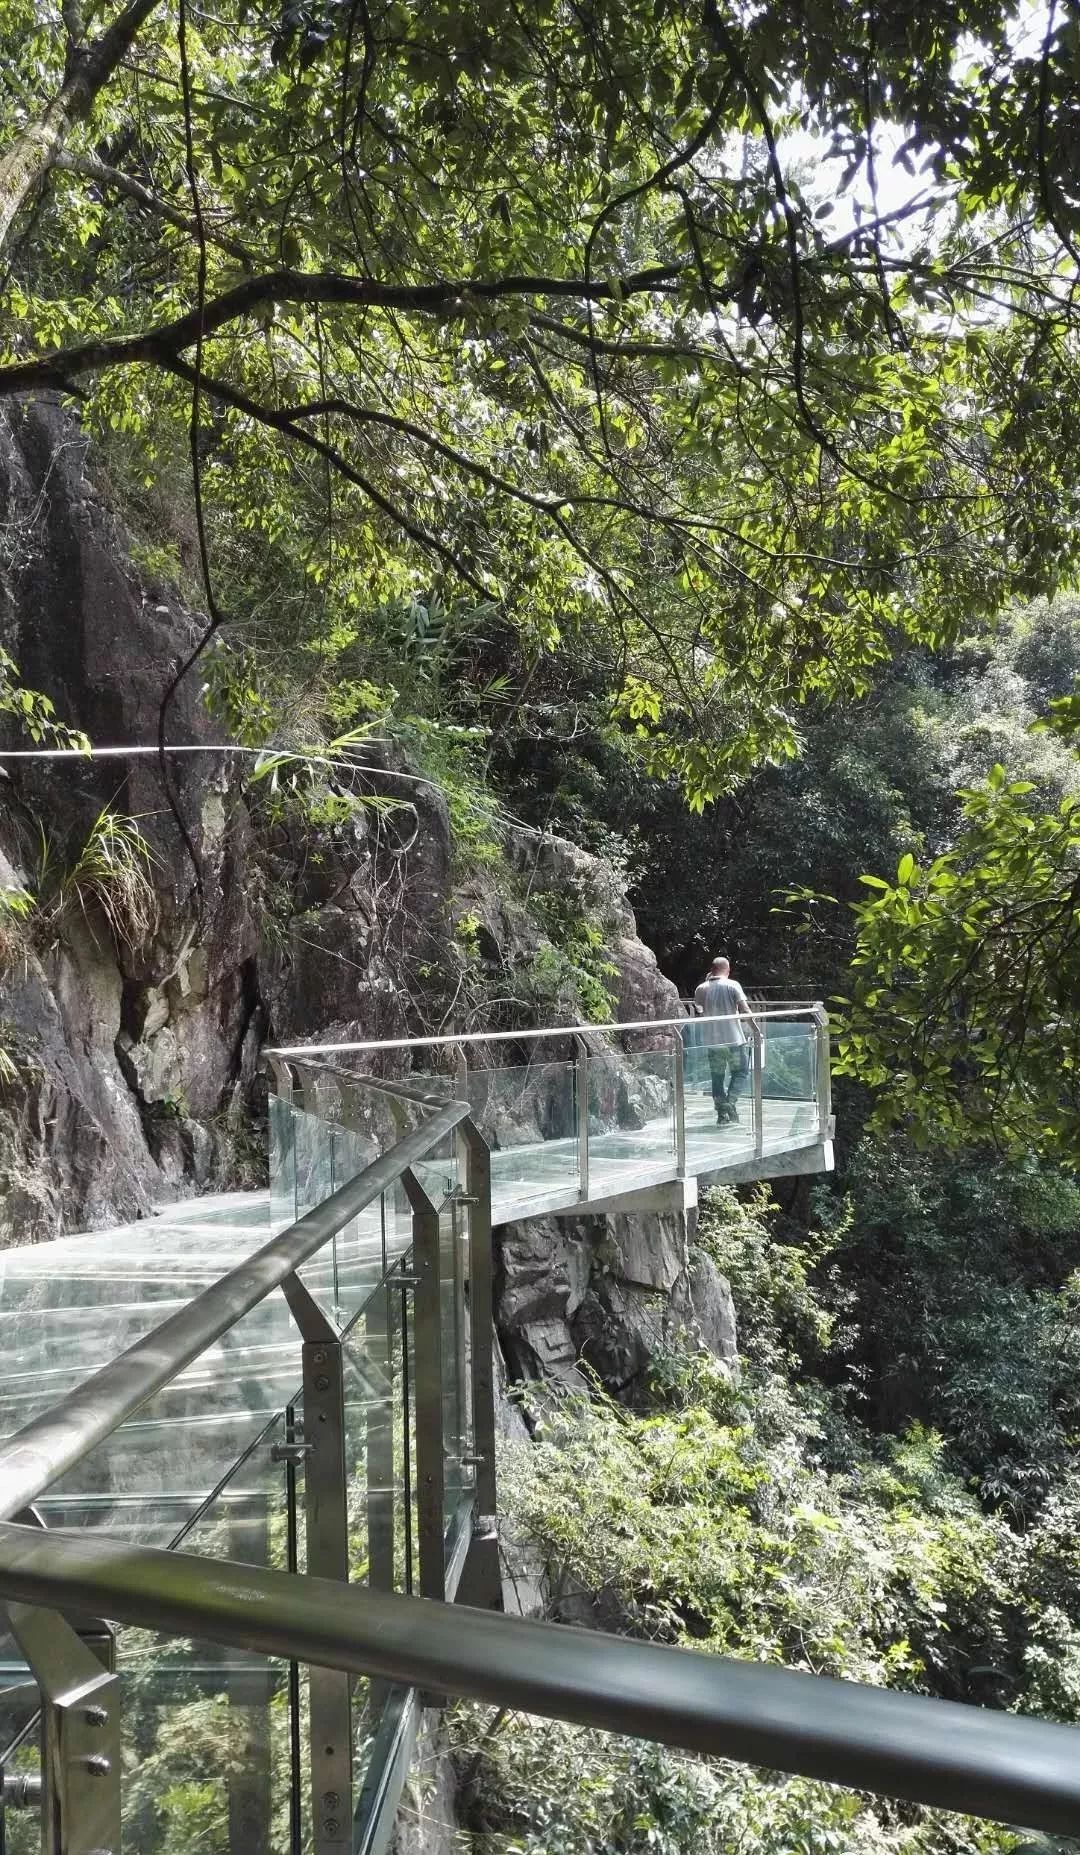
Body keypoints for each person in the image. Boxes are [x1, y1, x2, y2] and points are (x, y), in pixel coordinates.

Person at [693, 956, 755, 1125]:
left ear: (711, 970)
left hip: (713, 1041)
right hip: (734, 1039)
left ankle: (722, 1114)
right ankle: (730, 1103)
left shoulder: (701, 988)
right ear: (728, 970)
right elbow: (745, 1010)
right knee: (741, 1072)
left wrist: (706, 983)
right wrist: (755, 1030)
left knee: (717, 1077)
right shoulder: (733, 985)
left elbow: (699, 1008)